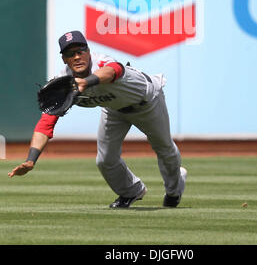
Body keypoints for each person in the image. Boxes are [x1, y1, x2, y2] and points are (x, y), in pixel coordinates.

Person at [8, 31, 187, 208]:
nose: (77, 56)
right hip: (114, 109)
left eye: (81, 51)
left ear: (88, 51)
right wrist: (31, 159)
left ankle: (173, 190)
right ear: (64, 59)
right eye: (71, 54)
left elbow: (114, 70)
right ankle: (130, 191)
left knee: (164, 148)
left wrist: (87, 82)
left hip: (147, 102)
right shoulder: (64, 83)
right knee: (105, 160)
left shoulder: (101, 62)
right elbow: (46, 123)